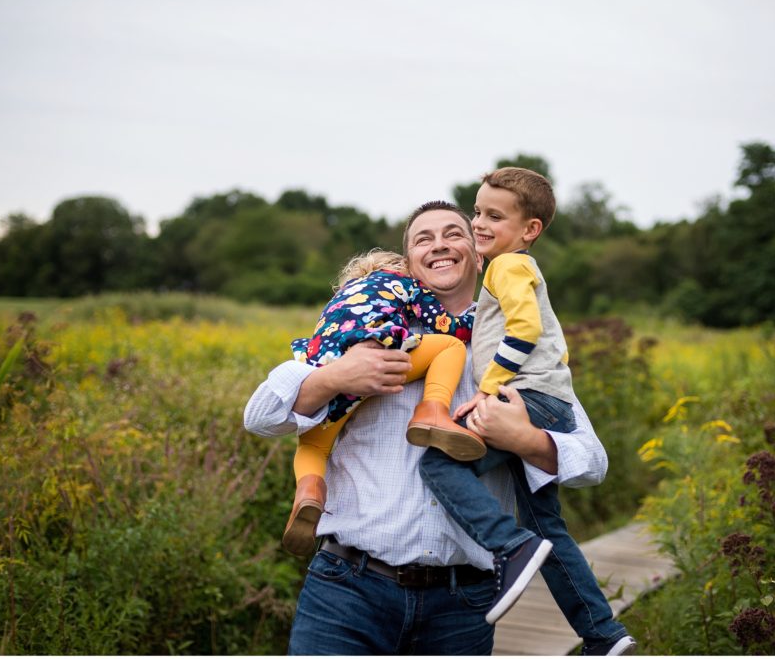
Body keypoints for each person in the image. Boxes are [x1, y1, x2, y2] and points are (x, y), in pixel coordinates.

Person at [243, 201, 609, 655]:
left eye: (455, 234)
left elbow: (592, 461)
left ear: (478, 255)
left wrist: (527, 441)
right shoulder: (372, 329)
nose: (440, 245)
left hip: (463, 603)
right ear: (409, 264)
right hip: (348, 588)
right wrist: (336, 377)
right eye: (423, 238)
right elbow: (260, 417)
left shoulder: (518, 346)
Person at [416, 168, 636, 654]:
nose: (479, 223)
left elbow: (525, 329)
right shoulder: (514, 267)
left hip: (526, 399)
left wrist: (489, 389)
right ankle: (603, 634)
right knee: (547, 529)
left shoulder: (506, 266)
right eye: (477, 211)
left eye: (494, 215)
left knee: (438, 463)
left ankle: (509, 547)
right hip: (543, 399)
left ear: (529, 229)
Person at [282, 248, 481, 556]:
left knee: (312, 447)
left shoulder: (342, 296)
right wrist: (479, 317)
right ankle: (433, 411)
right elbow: (447, 326)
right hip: (380, 358)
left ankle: (309, 492)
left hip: (329, 370)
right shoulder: (405, 283)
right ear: (405, 270)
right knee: (450, 347)